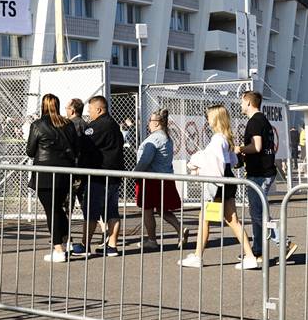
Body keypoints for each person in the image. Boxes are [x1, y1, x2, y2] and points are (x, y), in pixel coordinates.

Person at [179, 104, 258, 269]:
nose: (207, 119)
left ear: (214, 118)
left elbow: (213, 163)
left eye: (209, 116)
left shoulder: (217, 139)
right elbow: (233, 162)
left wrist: (195, 163)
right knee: (232, 220)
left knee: (205, 219)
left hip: (217, 183)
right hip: (227, 181)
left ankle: (198, 256)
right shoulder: (226, 138)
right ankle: (250, 256)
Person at [235, 91, 297, 263]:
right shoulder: (263, 121)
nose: (241, 105)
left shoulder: (254, 122)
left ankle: (284, 244)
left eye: (242, 102)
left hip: (259, 175)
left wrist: (239, 149)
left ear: (248, 102)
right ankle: (258, 251)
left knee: (258, 214)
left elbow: (256, 146)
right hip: (263, 173)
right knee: (258, 213)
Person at [26, 94, 80, 263]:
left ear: (43, 106)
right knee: (57, 208)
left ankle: (58, 249)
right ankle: (66, 240)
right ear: (57, 105)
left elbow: (30, 150)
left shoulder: (37, 125)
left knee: (52, 210)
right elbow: (76, 146)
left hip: (45, 173)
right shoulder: (68, 124)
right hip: (65, 172)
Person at [74, 96, 124, 257]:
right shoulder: (115, 125)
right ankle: (112, 246)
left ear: (99, 109)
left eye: (90, 110)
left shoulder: (97, 126)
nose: (89, 113)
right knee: (112, 212)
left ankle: (84, 245)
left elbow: (84, 144)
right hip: (114, 175)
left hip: (99, 176)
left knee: (91, 212)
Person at [133, 109, 187, 251]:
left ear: (156, 123)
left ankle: (152, 240)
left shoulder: (153, 139)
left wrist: (135, 173)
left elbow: (145, 161)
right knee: (162, 209)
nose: (148, 124)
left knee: (147, 210)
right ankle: (180, 229)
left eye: (150, 121)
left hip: (151, 180)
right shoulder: (166, 138)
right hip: (164, 177)